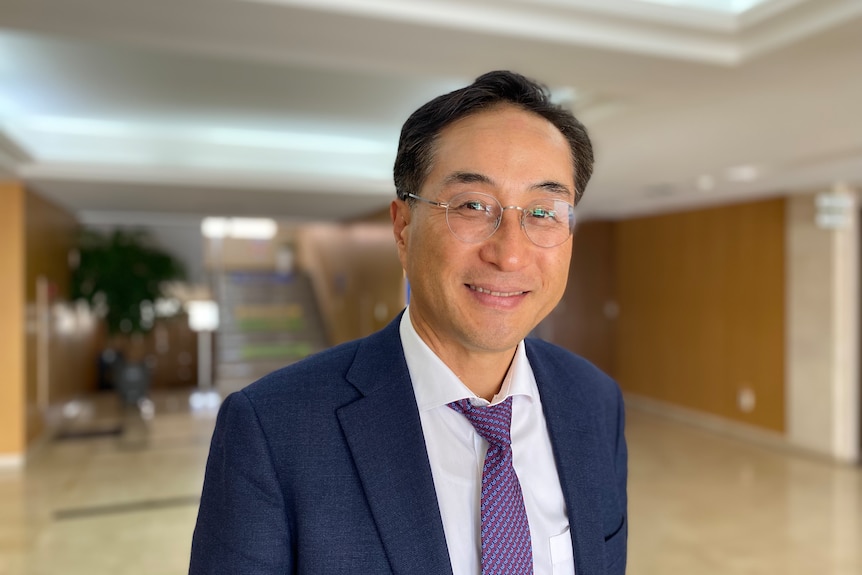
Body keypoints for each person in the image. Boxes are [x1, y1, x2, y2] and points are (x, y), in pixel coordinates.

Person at [189, 70, 627, 575]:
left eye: (545, 212)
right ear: (402, 227)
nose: (509, 255)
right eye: (472, 206)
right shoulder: (273, 430)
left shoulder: (595, 402)